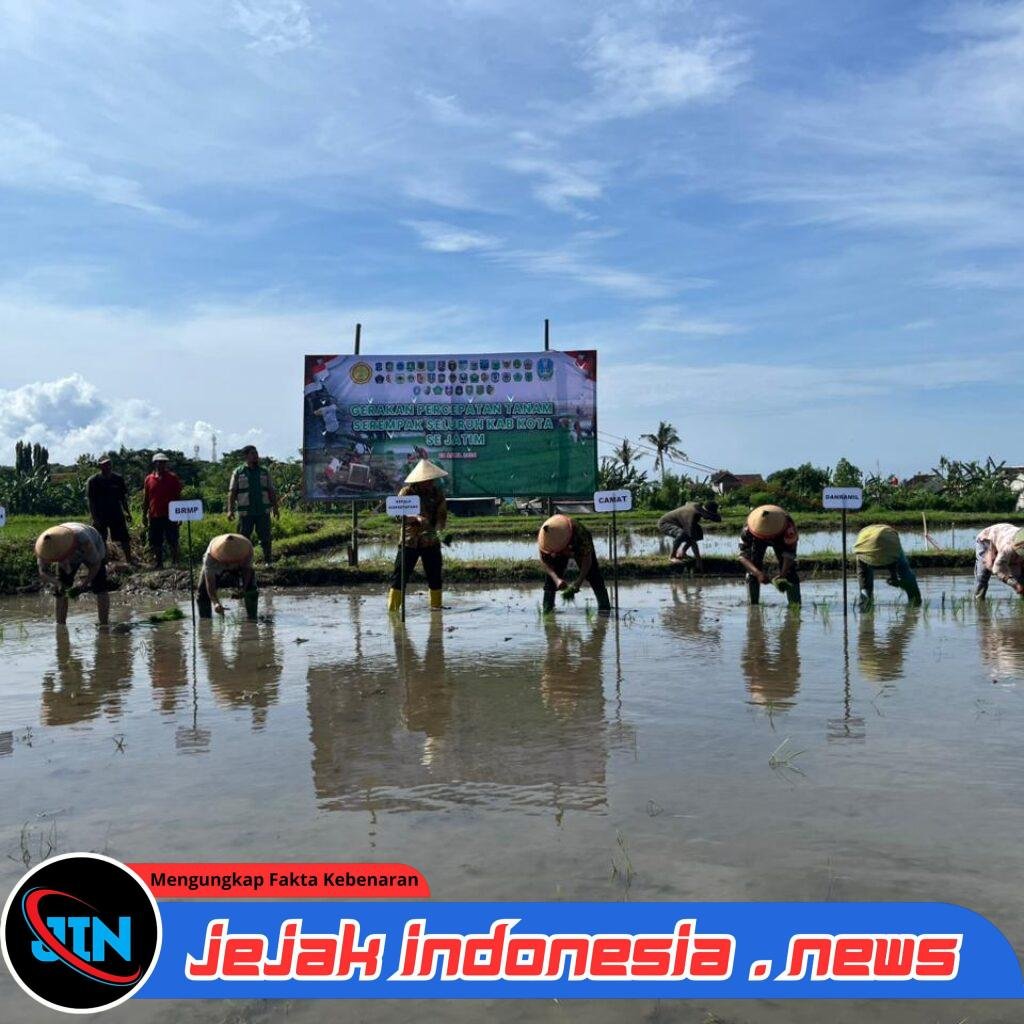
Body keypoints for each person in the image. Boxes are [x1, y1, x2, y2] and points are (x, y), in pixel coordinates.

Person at [387, 459, 448, 613]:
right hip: (409, 541)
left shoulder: (437, 494)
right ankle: (393, 611)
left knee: (435, 576)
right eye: (427, 480)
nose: (430, 482)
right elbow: (397, 515)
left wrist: (440, 529)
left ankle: (436, 609)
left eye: (432, 480)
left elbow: (442, 517)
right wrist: (415, 518)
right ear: (419, 480)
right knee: (399, 577)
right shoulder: (406, 493)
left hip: (430, 541)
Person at [35, 522, 111, 625]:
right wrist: (58, 583)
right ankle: (60, 625)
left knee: (100, 585)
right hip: (69, 553)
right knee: (61, 590)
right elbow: (42, 572)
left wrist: (84, 584)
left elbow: (96, 564)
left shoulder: (84, 540)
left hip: (93, 542)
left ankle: (104, 624)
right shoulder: (44, 547)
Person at [537, 514, 612, 613]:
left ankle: (604, 608)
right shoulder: (545, 539)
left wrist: (579, 581)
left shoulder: (580, 533)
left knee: (593, 573)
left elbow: (587, 560)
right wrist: (557, 579)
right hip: (558, 551)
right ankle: (547, 608)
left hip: (577, 545)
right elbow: (544, 561)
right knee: (551, 578)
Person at [738, 504, 801, 605]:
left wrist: (783, 574)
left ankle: (795, 606)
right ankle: (753, 606)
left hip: (780, 538)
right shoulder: (748, 530)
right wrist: (758, 573)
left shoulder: (788, 528)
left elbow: (789, 553)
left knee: (790, 572)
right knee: (752, 571)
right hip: (757, 539)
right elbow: (742, 556)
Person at [228, 445, 280, 564]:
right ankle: (243, 563)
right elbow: (232, 492)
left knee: (266, 537)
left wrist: (275, 508)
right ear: (246, 456)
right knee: (243, 538)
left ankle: (268, 561)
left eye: (256, 453)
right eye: (252, 454)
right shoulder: (238, 472)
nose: (256, 456)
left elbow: (271, 491)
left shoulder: (264, 471)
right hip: (245, 512)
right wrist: (229, 510)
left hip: (262, 511)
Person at [853, 524, 921, 607]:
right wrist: (894, 577)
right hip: (869, 545)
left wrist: (894, 576)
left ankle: (865, 606)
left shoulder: (887, 540)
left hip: (866, 546)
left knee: (865, 584)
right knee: (905, 572)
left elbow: (863, 574)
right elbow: (892, 559)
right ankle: (916, 600)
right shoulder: (891, 542)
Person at [197, 533, 259, 619]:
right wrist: (215, 603)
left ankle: (252, 619)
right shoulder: (210, 556)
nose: (229, 564)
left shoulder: (246, 549)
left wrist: (243, 590)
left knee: (251, 589)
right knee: (202, 591)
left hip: (239, 568)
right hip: (216, 567)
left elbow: (247, 570)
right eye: (227, 562)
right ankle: (205, 620)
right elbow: (210, 581)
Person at [86, 455, 133, 562]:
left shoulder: (118, 479)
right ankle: (103, 562)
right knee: (100, 539)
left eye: (108, 464)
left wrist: (127, 513)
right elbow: (91, 502)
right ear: (100, 466)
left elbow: (123, 499)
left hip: (116, 513)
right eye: (104, 465)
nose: (107, 467)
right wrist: (94, 518)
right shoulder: (93, 481)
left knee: (124, 538)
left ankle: (129, 560)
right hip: (100, 515)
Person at [142, 453, 182, 568]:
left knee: (173, 540)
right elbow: (146, 498)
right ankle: (159, 563)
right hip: (155, 515)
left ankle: (176, 562)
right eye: (159, 462)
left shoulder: (173, 478)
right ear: (155, 463)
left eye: (164, 462)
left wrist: (179, 515)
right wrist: (144, 515)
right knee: (156, 541)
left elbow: (178, 497)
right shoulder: (149, 479)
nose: (162, 464)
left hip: (171, 515)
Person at [657, 500, 721, 565]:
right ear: (705, 512)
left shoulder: (698, 508)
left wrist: (713, 515)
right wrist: (698, 560)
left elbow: (718, 519)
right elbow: (692, 539)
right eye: (708, 516)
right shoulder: (691, 515)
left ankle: (682, 552)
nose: (708, 518)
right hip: (665, 523)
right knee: (681, 534)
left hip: (679, 523)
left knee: (698, 532)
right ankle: (672, 556)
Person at [973, 523, 1024, 599]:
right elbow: (997, 569)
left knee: (1021, 577)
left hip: (1004, 535)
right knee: (983, 575)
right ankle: (978, 600)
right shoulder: (1007, 548)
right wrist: (1014, 584)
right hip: (987, 540)